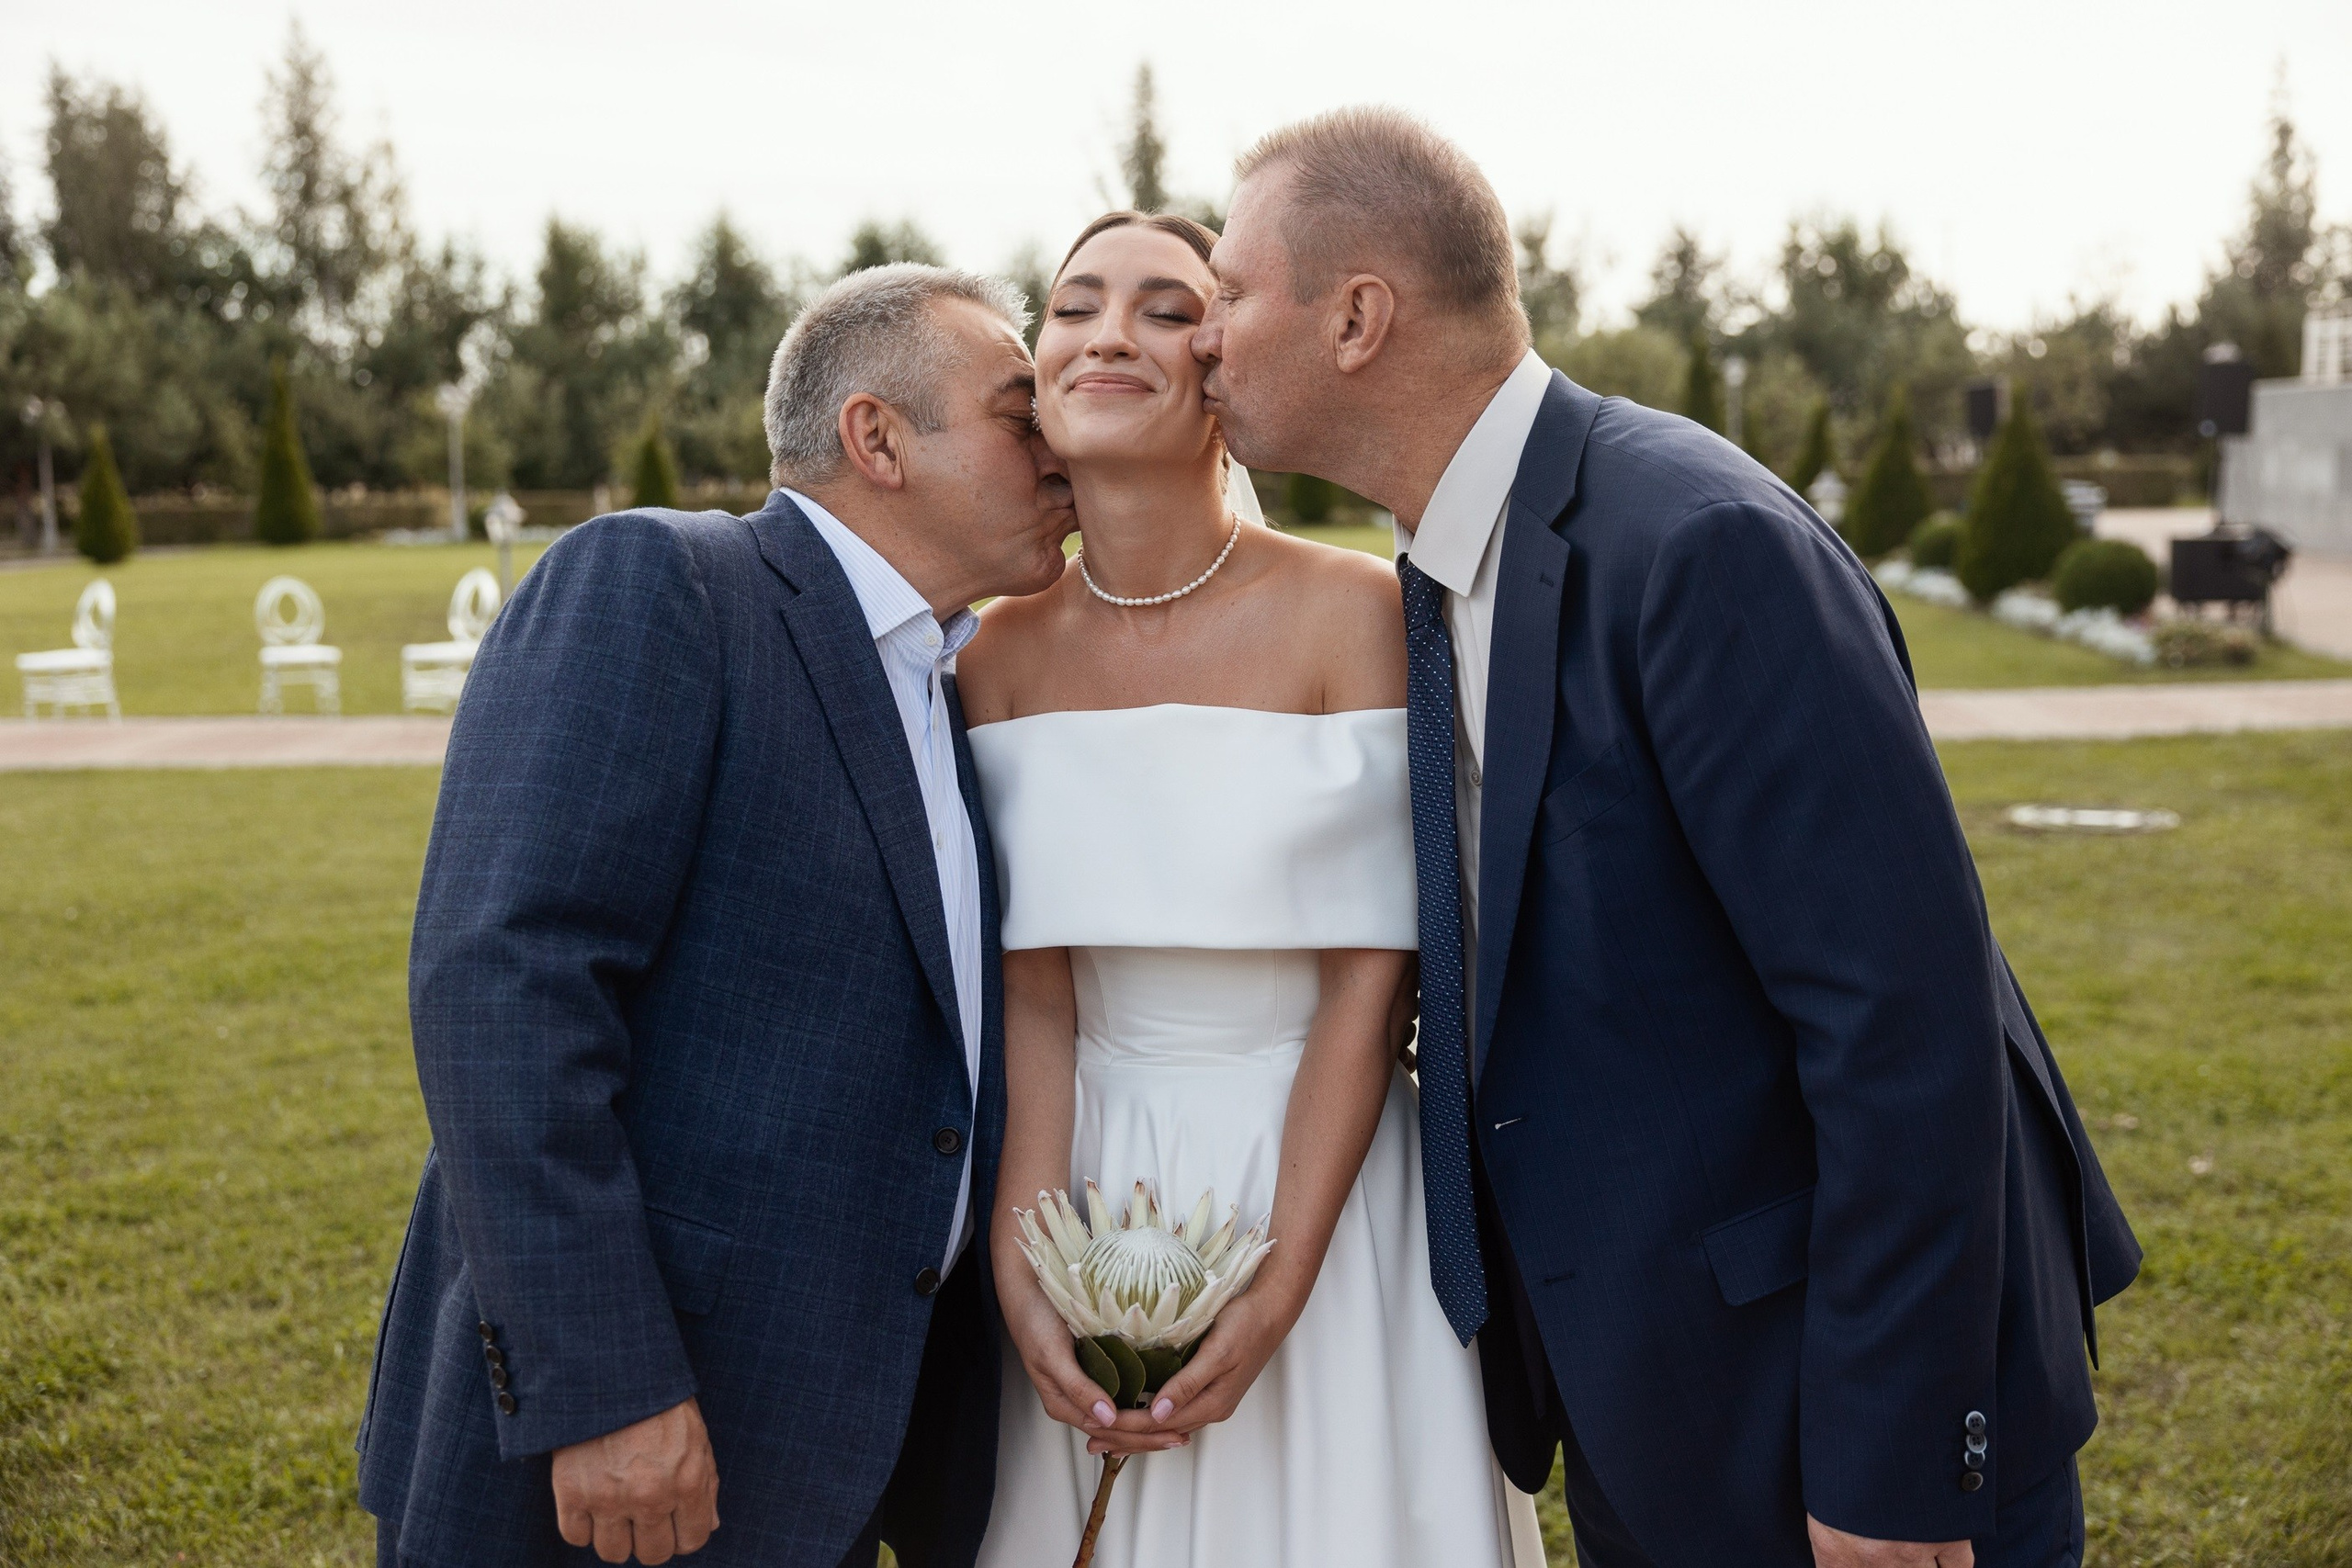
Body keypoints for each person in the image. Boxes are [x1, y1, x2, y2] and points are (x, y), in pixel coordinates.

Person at [1192, 108, 2142, 1568]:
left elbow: (1905, 1023)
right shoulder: (1445, 572)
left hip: (1824, 1422)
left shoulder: (1695, 544)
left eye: (1229, 291)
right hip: (1658, 1404)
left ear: (1357, 318)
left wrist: (1892, 1467)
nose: (1201, 336)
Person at [356, 264, 1074, 1567]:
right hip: (635, 1433)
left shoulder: (952, 683)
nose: (1060, 448)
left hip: (825, 1440)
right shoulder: (664, 586)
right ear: (878, 438)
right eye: (1020, 414)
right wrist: (606, 1385)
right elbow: (502, 986)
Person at [957, 210, 1544, 1568]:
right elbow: (1037, 1004)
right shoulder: (994, 658)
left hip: (1323, 1192)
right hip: (1094, 1184)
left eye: (1166, 308)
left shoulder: (1360, 614)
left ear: (1224, 367)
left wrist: (1279, 1283)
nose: (1109, 333)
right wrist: (1028, 1262)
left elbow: (1370, 983)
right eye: (1073, 306)